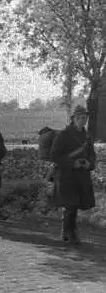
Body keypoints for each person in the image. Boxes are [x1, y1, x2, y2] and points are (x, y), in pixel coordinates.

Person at [50, 105, 96, 245]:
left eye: (85, 118)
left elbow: (92, 155)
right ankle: (71, 233)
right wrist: (72, 163)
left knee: (75, 205)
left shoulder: (87, 135)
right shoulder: (63, 135)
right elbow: (55, 155)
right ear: (73, 119)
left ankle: (66, 231)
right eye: (79, 118)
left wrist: (90, 164)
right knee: (71, 204)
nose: (82, 121)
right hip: (66, 175)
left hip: (81, 176)